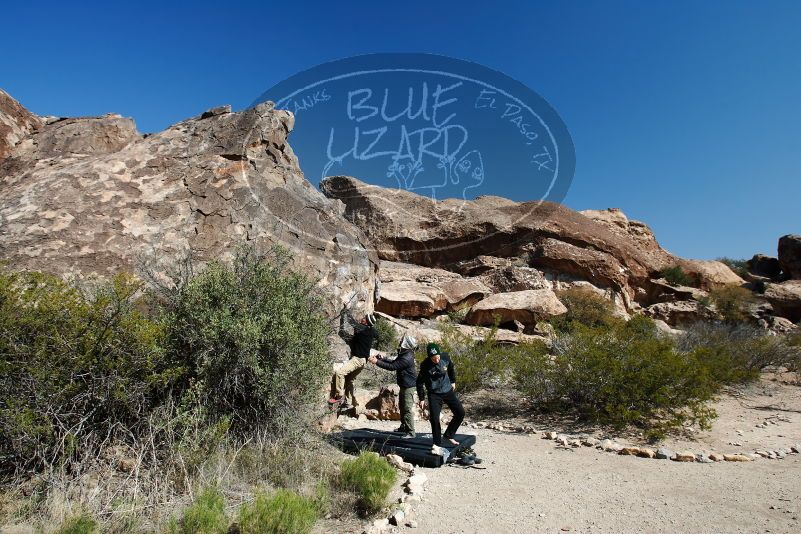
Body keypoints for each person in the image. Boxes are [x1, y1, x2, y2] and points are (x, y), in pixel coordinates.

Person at [368, 332, 418, 438]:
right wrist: (383, 358)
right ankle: (404, 426)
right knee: (402, 406)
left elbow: (393, 366)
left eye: (402, 341)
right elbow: (394, 362)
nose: (400, 342)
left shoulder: (406, 357)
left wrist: (377, 362)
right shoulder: (405, 354)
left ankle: (411, 432)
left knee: (407, 408)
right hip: (405, 385)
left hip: (408, 386)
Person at [417, 342, 465, 447]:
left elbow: (451, 369)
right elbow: (419, 382)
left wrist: (453, 381)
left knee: (460, 413)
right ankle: (437, 444)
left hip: (447, 390)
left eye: (437, 357)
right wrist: (421, 398)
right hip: (434, 394)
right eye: (434, 358)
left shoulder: (445, 357)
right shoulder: (425, 365)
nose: (436, 360)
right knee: (434, 419)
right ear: (429, 357)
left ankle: (449, 435)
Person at [329, 309, 377, 409]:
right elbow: (377, 335)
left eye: (364, 319)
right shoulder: (371, 330)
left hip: (357, 360)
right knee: (349, 380)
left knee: (340, 373)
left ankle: (339, 395)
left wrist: (345, 310)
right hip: (363, 361)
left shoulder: (362, 329)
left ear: (366, 322)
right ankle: (348, 401)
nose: (362, 319)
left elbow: (351, 322)